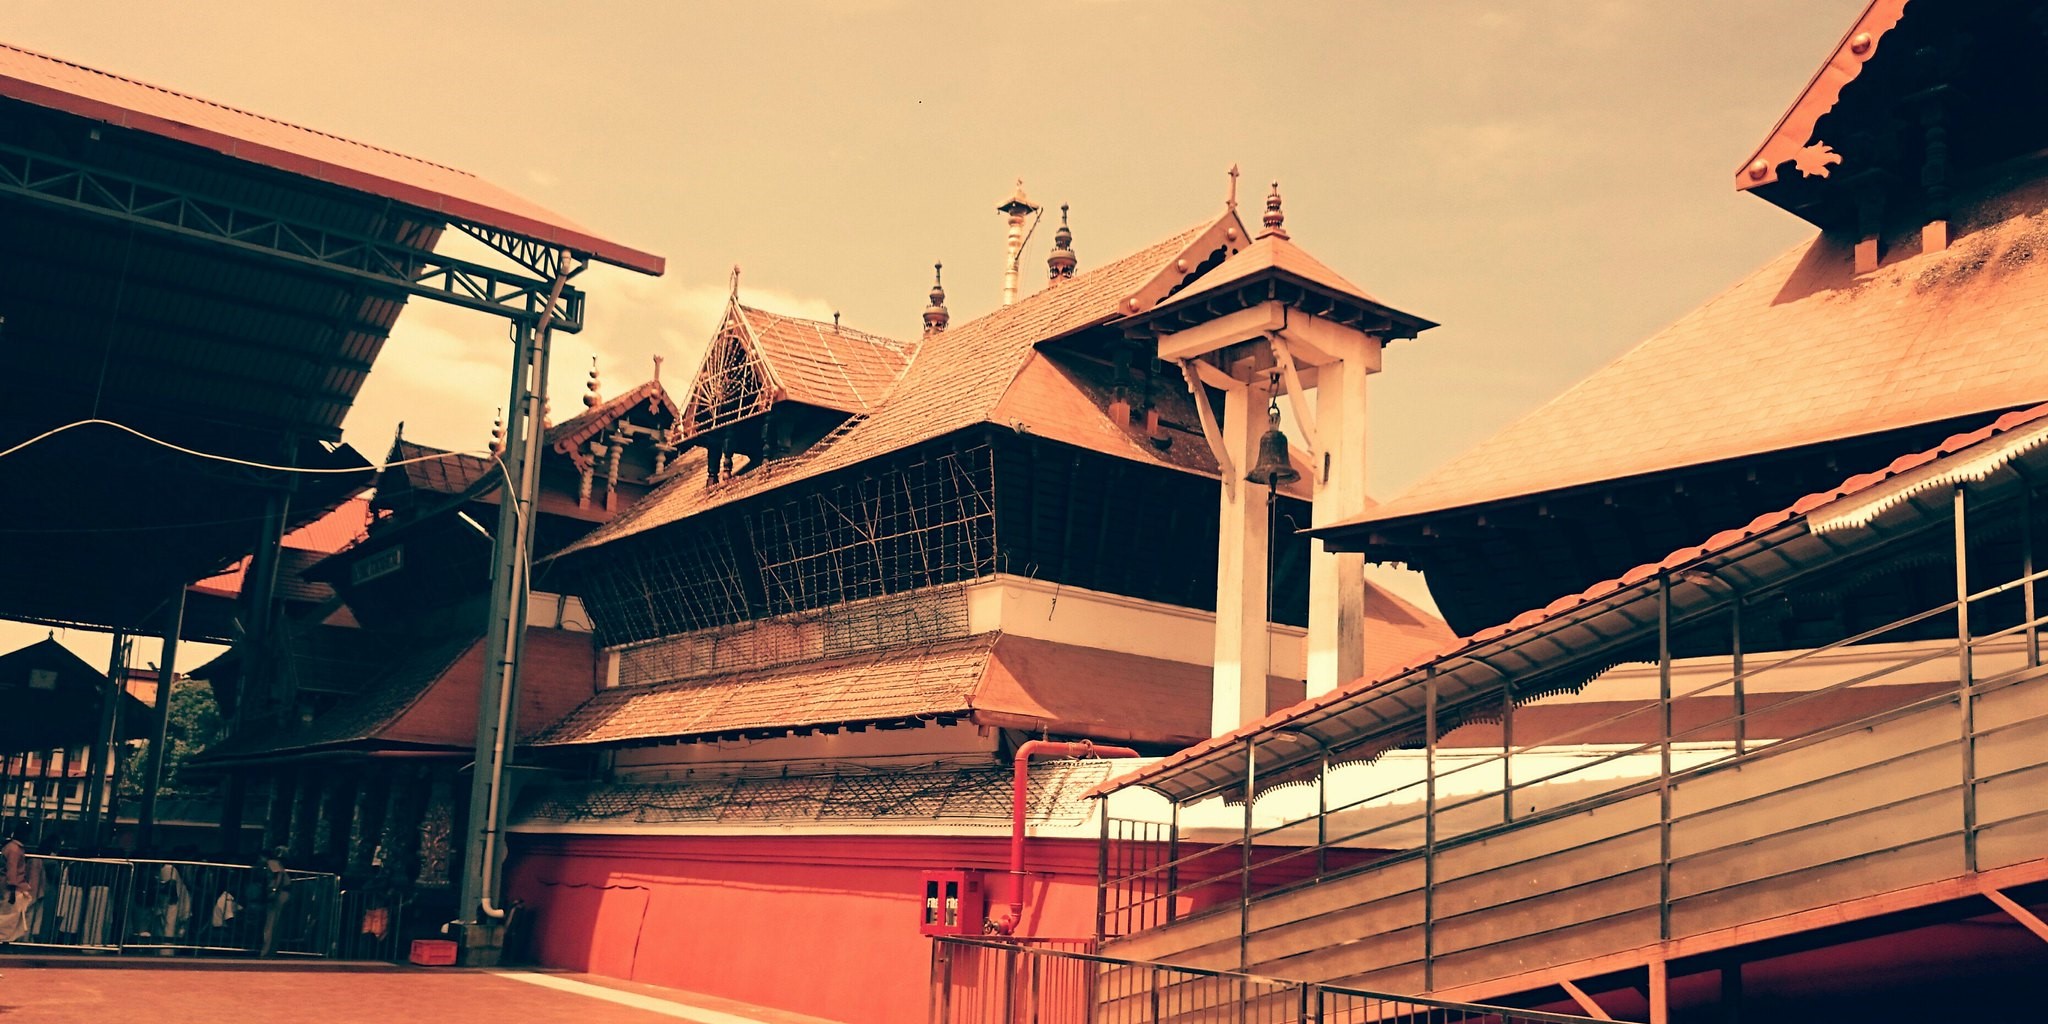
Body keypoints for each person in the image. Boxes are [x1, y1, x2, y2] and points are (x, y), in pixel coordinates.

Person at [1, 823, 43, 944]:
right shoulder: (15, 849)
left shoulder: (11, 847)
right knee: (9, 918)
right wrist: (13, 890)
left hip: (12, 888)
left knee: (10, 918)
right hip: (13, 889)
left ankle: (6, 940)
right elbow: (12, 870)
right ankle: (4, 941)